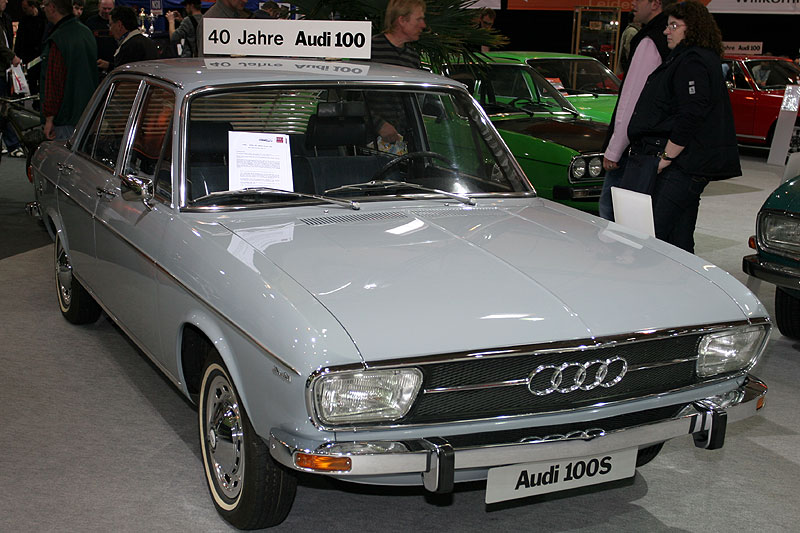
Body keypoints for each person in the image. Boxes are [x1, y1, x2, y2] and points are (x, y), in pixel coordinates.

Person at [624, 0, 740, 253]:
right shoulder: (695, 58)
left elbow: (692, 112)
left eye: (674, 26)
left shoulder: (692, 61)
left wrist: (667, 156)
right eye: (667, 26)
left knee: (651, 238)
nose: (667, 31)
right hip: (689, 163)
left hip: (684, 164)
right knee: (678, 237)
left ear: (693, 28)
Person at [598, 0, 675, 221]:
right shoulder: (667, 41)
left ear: (655, 4)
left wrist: (614, 148)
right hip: (657, 145)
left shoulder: (650, 40)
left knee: (613, 213)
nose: (632, 3)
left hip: (636, 147)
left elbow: (632, 98)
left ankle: (612, 255)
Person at [369, 0, 426, 144]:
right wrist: (379, 124)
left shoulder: (412, 57)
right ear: (402, 20)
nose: (423, 25)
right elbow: (351, 96)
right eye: (419, 19)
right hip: (370, 141)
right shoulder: (371, 49)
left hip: (403, 141)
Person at [40, 0, 98, 141]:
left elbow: (55, 83)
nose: (43, 9)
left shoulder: (59, 39)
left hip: (65, 117)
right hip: (89, 113)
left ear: (53, 7)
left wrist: (49, 118)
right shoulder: (86, 32)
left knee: (62, 161)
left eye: (45, 5)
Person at [97, 6, 158, 71]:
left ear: (119, 25)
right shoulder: (147, 42)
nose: (110, 29)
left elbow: (124, 73)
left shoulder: (129, 47)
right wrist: (109, 66)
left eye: (111, 25)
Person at [0, 0, 24, 156]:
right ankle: (13, 144)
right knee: (3, 108)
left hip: (4, 69)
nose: (6, 1)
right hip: (1, 70)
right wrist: (12, 56)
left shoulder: (4, 20)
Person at [15, 0, 48, 95]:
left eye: (26, 8)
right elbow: (20, 39)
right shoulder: (24, 20)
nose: (24, 11)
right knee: (32, 80)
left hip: (41, 55)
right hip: (30, 57)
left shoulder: (43, 18)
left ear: (32, 7)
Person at [85, 0, 115, 74]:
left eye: (109, 9)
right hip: (95, 64)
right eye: (104, 8)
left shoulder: (117, 23)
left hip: (113, 63)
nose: (107, 11)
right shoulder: (90, 22)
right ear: (99, 7)